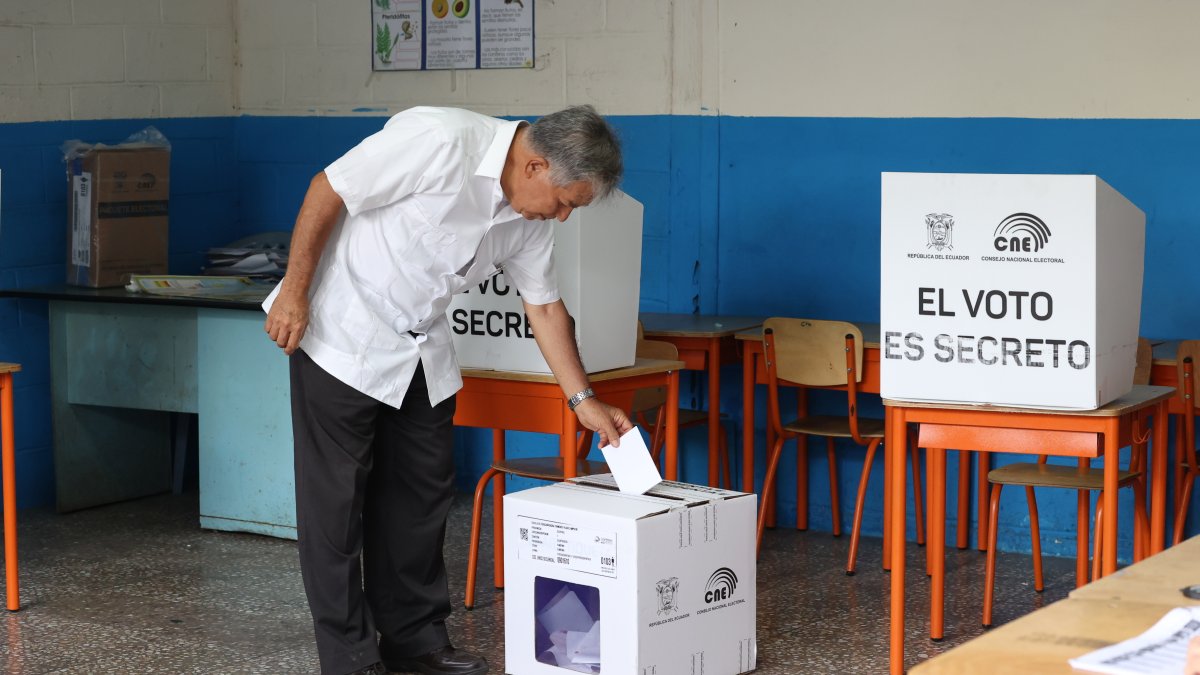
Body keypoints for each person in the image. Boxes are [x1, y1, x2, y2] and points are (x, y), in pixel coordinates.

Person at [263, 105, 633, 675]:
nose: (562, 218)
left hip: (421, 349)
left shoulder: (528, 218)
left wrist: (583, 401)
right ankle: (351, 659)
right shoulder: (439, 140)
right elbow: (327, 188)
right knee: (335, 510)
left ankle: (415, 641)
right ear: (534, 165)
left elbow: (545, 306)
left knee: (420, 497)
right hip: (343, 335)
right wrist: (294, 290)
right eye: (565, 203)